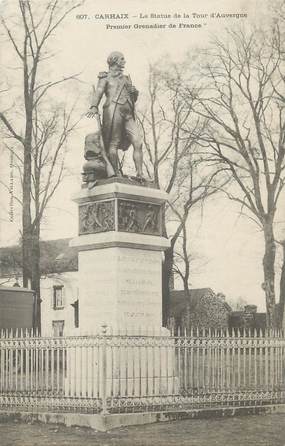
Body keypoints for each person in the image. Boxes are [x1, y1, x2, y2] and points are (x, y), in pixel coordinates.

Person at [86, 51, 143, 178]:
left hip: (129, 114)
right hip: (113, 110)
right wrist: (94, 106)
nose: (124, 61)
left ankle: (140, 174)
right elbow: (99, 91)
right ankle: (115, 173)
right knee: (113, 144)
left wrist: (135, 93)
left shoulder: (127, 79)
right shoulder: (105, 77)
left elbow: (133, 98)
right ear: (115, 60)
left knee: (138, 142)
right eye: (122, 59)